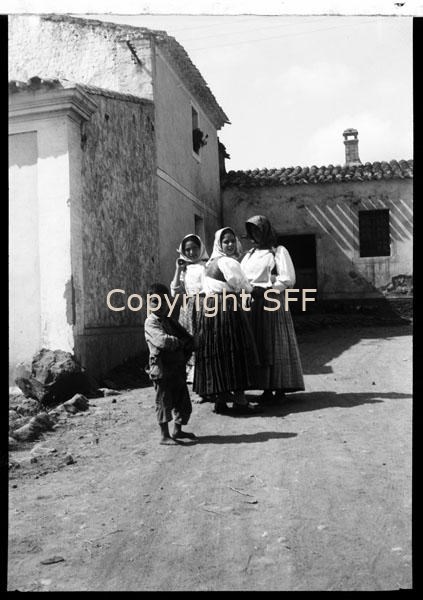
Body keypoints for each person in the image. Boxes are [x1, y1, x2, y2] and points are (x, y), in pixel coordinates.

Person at [193, 227, 261, 414]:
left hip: (209, 310)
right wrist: (255, 291)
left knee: (218, 352)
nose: (230, 244)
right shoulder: (228, 262)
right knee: (235, 350)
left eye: (232, 240)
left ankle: (221, 399)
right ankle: (239, 400)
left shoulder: (209, 264)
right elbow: (242, 285)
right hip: (227, 308)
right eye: (226, 241)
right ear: (219, 244)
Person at [240, 215, 305, 403]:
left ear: (267, 231)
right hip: (253, 302)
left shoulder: (278, 252)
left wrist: (269, 289)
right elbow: (242, 278)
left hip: (272, 301)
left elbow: (287, 279)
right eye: (253, 230)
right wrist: (250, 291)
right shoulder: (249, 255)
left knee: (275, 342)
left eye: (259, 230)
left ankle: (280, 388)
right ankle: (266, 388)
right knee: (259, 343)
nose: (256, 234)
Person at [144, 283, 197, 445]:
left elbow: (187, 337)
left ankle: (177, 430)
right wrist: (180, 343)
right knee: (163, 402)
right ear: (148, 303)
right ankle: (164, 435)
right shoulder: (151, 322)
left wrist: (188, 343)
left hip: (176, 368)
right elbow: (162, 341)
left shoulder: (170, 321)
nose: (159, 305)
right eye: (155, 301)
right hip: (161, 369)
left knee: (182, 401)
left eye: (163, 302)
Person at [170, 234, 208, 387]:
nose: (191, 252)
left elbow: (208, 287)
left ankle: (203, 376)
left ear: (200, 248)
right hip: (187, 308)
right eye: (188, 250)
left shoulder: (205, 266)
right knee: (188, 339)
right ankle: (191, 375)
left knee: (202, 338)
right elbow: (175, 291)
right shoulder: (184, 269)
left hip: (203, 305)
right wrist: (178, 269)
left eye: (195, 248)